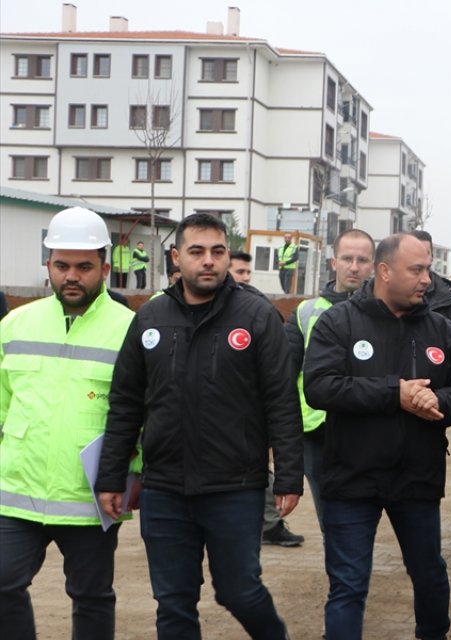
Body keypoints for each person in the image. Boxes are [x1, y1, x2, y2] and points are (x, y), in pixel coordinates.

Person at [96, 213, 302, 640]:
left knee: (239, 591)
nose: (208, 261)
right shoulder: (150, 318)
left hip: (236, 487)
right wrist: (112, 475)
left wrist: (288, 475)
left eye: (218, 251)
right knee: (173, 602)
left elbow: (281, 400)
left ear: (227, 256)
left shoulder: (257, 316)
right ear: (177, 257)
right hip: (165, 489)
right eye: (197, 252)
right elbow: (125, 404)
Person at [303, 233, 451, 640]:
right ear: (384, 271)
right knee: (348, 585)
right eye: (416, 270)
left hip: (417, 476)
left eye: (428, 269)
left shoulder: (443, 329)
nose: (426, 280)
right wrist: (393, 394)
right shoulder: (339, 322)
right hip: (351, 476)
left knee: (429, 573)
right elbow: (320, 386)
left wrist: (435, 400)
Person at [0, 207, 136, 640]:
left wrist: (133, 473)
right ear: (47, 265)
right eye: (61, 266)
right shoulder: (15, 324)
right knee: (2, 585)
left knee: (92, 597)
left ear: (105, 267)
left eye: (83, 266)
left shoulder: (132, 330)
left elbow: (147, 415)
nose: (71, 276)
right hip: (15, 494)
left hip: (91, 498)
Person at [286, 228, 377, 535]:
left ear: (374, 265)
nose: (355, 266)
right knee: (331, 518)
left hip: (368, 428)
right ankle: (342, 578)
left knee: (361, 515)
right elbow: (285, 375)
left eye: (362, 260)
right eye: (348, 258)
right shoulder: (306, 311)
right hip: (317, 432)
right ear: (333, 262)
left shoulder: (385, 313)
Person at [229, 249, 306, 548]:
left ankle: (269, 523)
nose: (245, 278)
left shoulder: (259, 308)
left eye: (247, 273)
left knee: (257, 466)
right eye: (240, 272)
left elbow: (278, 372)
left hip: (251, 411)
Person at [409, 230, 451, 335]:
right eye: (414, 253)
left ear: (431, 257)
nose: (420, 258)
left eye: (425, 252)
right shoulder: (391, 296)